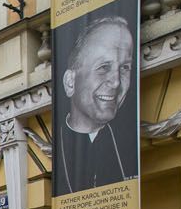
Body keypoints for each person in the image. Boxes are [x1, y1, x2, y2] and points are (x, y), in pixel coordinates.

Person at [54, 16, 137, 195]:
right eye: (104, 67)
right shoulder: (57, 145)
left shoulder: (130, 143)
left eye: (124, 68)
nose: (116, 82)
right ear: (70, 82)